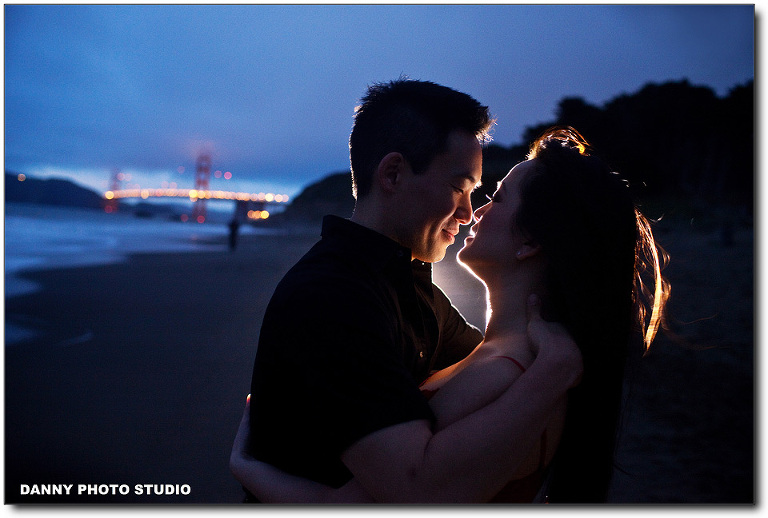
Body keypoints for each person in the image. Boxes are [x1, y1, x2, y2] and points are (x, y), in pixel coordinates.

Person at [231, 126, 670, 503]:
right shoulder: (500, 354)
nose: (474, 212)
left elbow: (367, 503)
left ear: (530, 243)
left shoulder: (509, 375)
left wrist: (249, 468)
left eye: (496, 199)